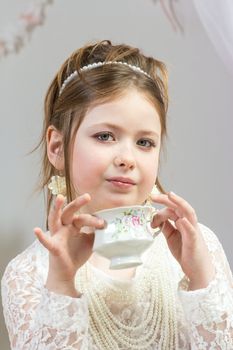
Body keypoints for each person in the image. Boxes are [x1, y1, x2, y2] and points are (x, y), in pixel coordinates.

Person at [1, 39, 233, 350]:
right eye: (105, 136)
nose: (128, 158)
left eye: (145, 143)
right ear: (57, 147)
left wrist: (201, 275)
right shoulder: (29, 273)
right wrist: (61, 283)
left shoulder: (201, 249)